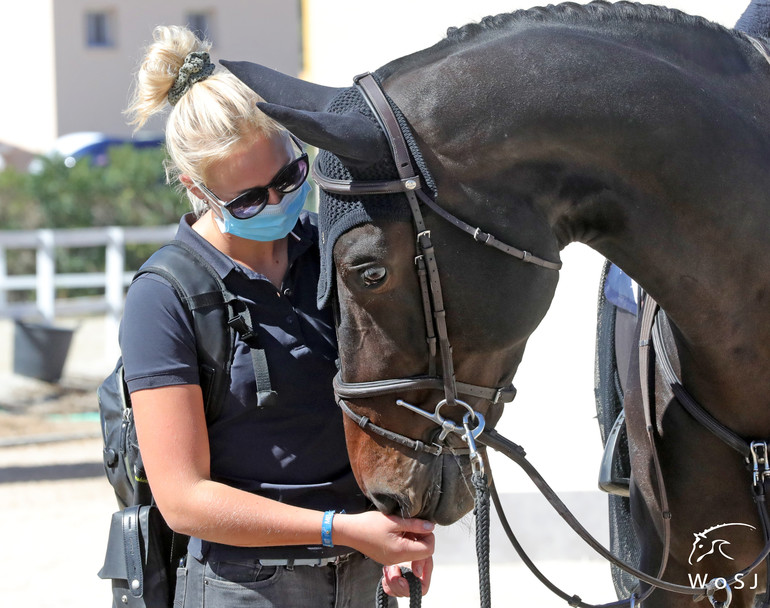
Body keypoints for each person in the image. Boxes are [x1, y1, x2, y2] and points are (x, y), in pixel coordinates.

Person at [122, 25, 434, 607]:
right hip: (245, 589)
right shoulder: (164, 296)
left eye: (289, 178)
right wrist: (337, 529)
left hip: (366, 577)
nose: (276, 203)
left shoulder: (338, 253)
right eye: (247, 199)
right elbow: (184, 499)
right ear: (197, 189)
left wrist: (404, 526)